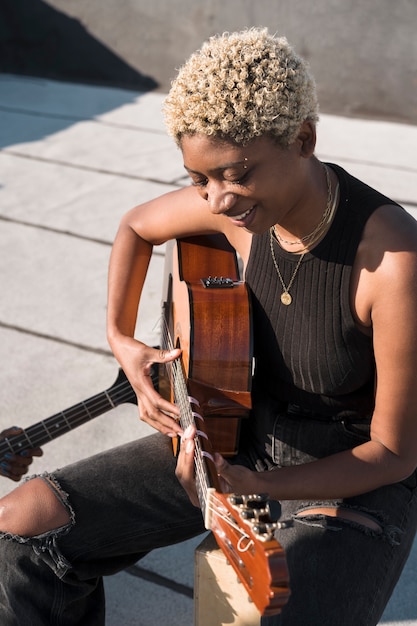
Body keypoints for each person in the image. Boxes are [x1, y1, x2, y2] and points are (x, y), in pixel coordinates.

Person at [0, 27, 416, 626]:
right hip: (234, 436)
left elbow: (395, 455)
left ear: (303, 139)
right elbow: (137, 227)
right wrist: (124, 340)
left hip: (351, 477)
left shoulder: (395, 262)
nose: (217, 201)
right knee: (23, 529)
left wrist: (259, 488)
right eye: (200, 179)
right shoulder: (240, 211)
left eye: (236, 174)